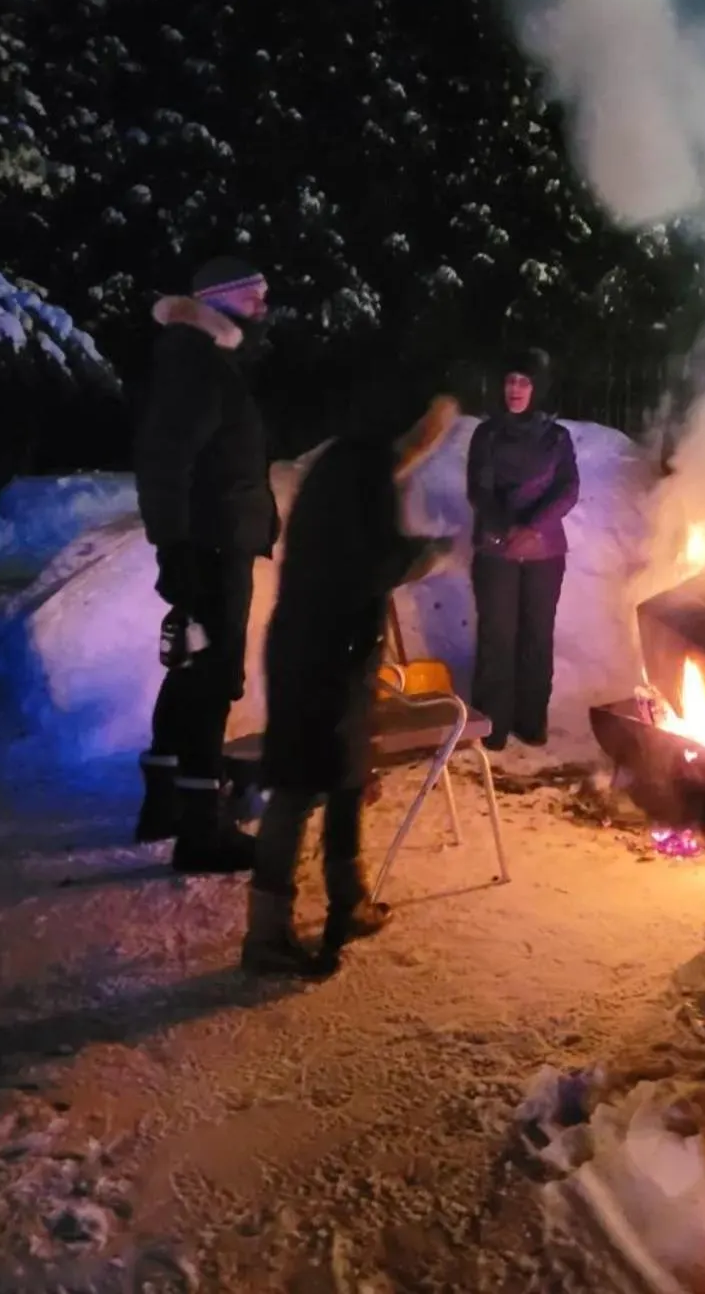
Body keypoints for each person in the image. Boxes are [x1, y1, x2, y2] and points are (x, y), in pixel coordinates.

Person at [242, 388, 459, 977]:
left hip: (327, 647)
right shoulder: (362, 472)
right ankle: (266, 934)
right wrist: (433, 553)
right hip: (321, 651)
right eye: (429, 433)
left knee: (345, 774)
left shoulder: (349, 461)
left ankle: (348, 898)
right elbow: (371, 564)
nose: (427, 447)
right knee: (298, 784)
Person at [133, 257, 278, 873]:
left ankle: (164, 804)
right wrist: (177, 550)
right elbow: (164, 465)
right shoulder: (199, 368)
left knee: (192, 673)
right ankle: (201, 831)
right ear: (221, 302)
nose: (264, 308)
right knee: (213, 680)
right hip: (211, 548)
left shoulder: (203, 362)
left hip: (212, 543)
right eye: (255, 298)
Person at [466, 349, 578, 749]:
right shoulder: (487, 435)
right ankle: (491, 725)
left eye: (525, 381)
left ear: (538, 388)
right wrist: (507, 527)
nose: (515, 389)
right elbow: (479, 490)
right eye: (511, 380)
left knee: (537, 636)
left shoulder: (557, 439)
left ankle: (531, 721)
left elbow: (568, 490)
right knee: (498, 635)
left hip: (545, 553)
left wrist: (533, 527)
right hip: (496, 549)